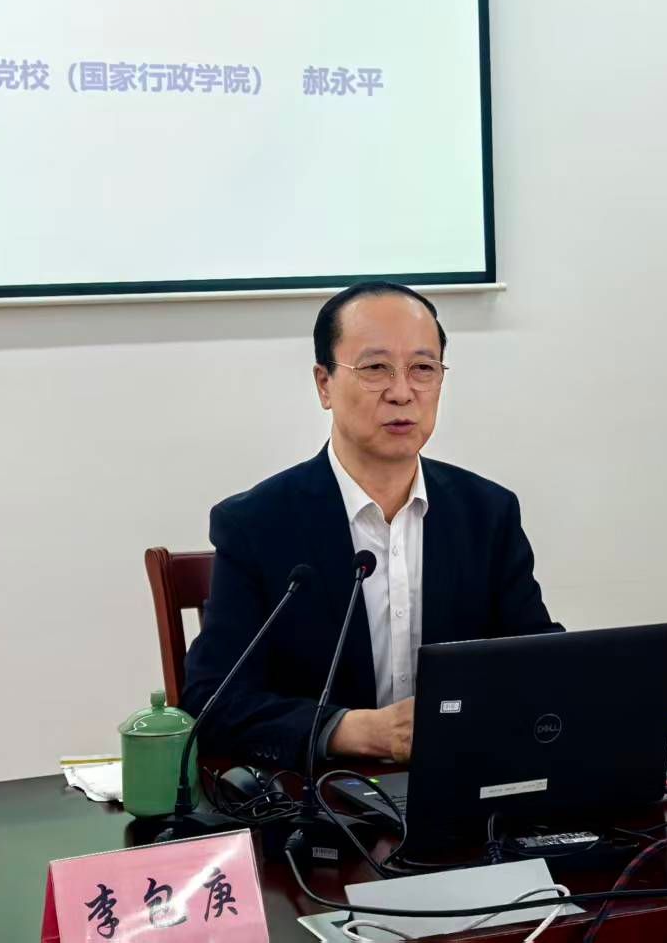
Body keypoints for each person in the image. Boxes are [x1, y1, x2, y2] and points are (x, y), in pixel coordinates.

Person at [182, 281, 561, 771]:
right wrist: (349, 730)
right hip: (320, 796)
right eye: (375, 368)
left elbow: (538, 664)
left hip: (461, 785)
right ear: (324, 384)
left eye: (423, 369)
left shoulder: (487, 513)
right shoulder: (256, 525)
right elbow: (213, 701)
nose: (402, 393)